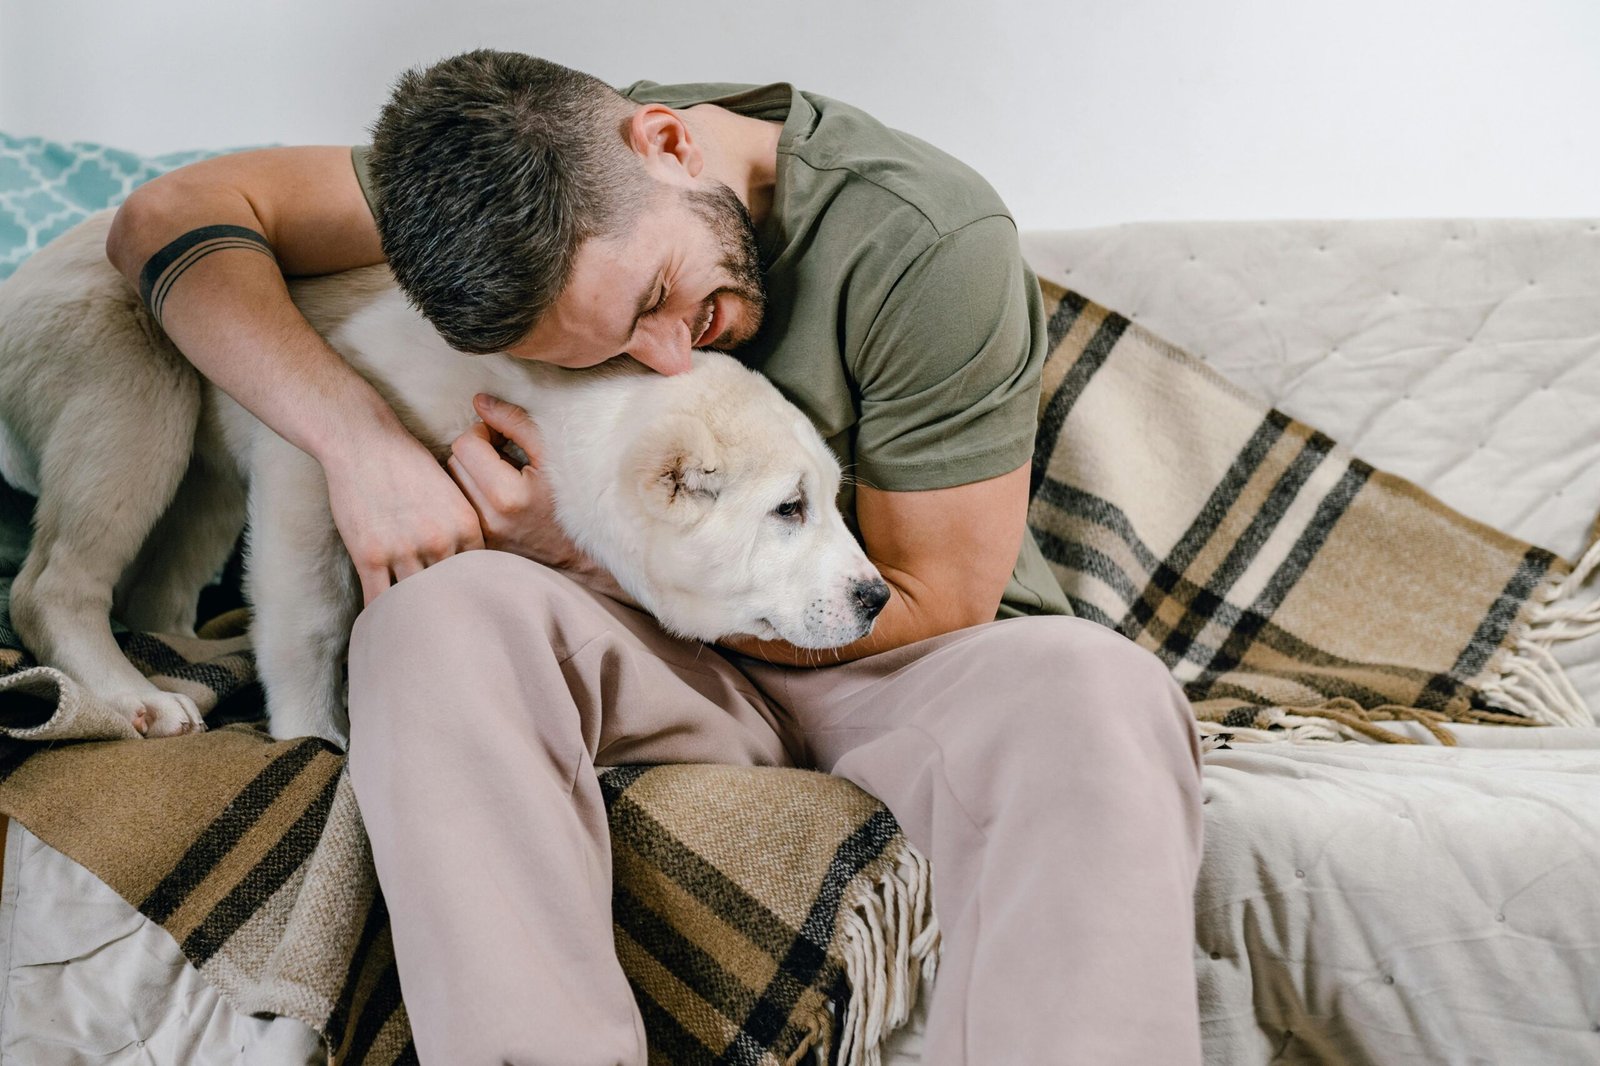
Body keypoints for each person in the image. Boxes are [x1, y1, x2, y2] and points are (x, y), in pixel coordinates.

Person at [105, 50, 1204, 1066]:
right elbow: (171, 216)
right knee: (433, 620)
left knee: (1096, 683)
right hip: (644, 659)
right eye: (619, 348)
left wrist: (576, 552)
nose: (675, 350)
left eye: (655, 298)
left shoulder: (916, 233)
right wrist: (358, 444)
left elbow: (936, 598)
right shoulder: (498, 196)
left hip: (887, 659)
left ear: (669, 145)